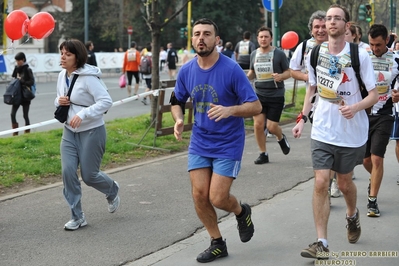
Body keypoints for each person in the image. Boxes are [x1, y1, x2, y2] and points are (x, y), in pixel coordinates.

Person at [170, 18, 261, 263]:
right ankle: (217, 242)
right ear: (192, 40)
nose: (201, 38)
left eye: (207, 34)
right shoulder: (187, 70)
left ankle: (242, 212)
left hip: (228, 142)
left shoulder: (231, 69)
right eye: (197, 34)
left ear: (216, 40)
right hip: (200, 140)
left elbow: (255, 105)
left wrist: (230, 110)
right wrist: (179, 120)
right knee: (200, 194)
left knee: (218, 198)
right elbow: (176, 100)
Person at [292, 4, 378, 259]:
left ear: (346, 25)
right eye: (328, 18)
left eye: (336, 18)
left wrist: (355, 107)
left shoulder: (359, 54)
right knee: (321, 181)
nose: (330, 23)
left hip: (351, 130)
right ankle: (322, 242)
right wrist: (302, 118)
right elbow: (312, 89)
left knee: (344, 181)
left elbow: (373, 95)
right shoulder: (315, 54)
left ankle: (352, 216)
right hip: (322, 128)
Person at [55, 39, 120, 231]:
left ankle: (112, 189)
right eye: (61, 53)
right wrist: (59, 101)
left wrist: (83, 114)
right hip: (69, 132)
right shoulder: (61, 76)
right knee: (68, 173)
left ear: (78, 57)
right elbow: (60, 101)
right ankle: (77, 216)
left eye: (68, 54)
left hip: (92, 131)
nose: (63, 57)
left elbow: (106, 102)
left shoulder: (89, 78)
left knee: (89, 175)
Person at [363, 24, 399, 217]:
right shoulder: (363, 57)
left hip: (385, 114)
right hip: (364, 113)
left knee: (377, 158)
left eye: (378, 44)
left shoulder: (396, 59)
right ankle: (374, 178)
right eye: (371, 44)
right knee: (365, 159)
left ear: (387, 40)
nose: (375, 49)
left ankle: (372, 201)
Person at [247, 26, 291, 164]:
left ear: (271, 38)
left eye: (266, 37)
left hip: (276, 95)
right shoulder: (254, 54)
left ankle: (280, 137)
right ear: (257, 38)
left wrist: (280, 76)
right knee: (258, 125)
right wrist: (242, 78)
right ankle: (263, 153)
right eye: (261, 37)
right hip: (259, 95)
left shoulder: (279, 54)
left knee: (271, 127)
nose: (263, 39)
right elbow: (252, 73)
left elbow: (289, 72)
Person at [11, 52, 35, 136]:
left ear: (23, 59)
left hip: (25, 95)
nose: (18, 62)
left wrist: (22, 81)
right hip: (17, 95)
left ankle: (27, 133)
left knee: (25, 115)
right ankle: (15, 133)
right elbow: (13, 79)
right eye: (16, 61)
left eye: (19, 60)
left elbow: (31, 82)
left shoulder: (28, 69)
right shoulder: (17, 68)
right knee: (12, 114)